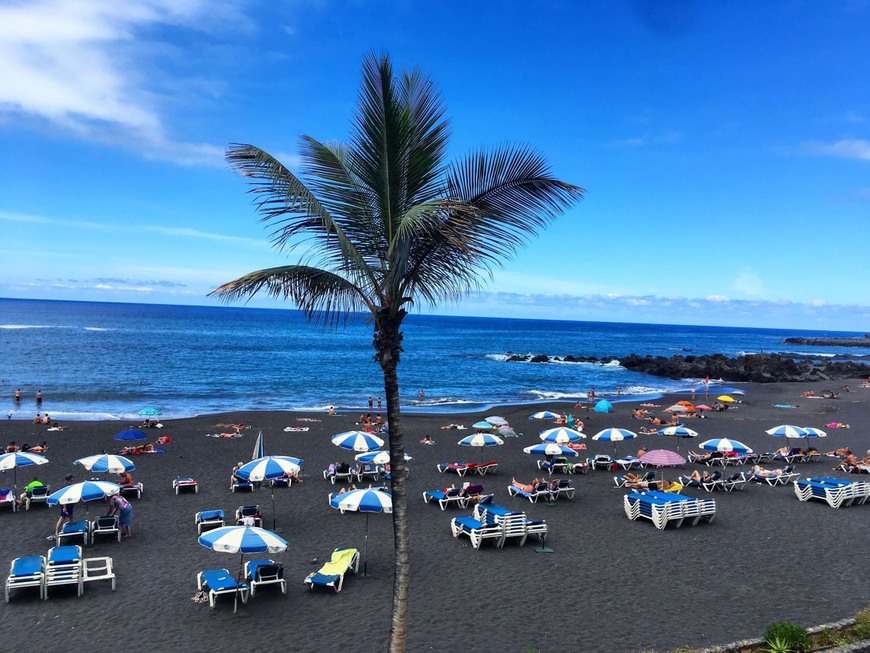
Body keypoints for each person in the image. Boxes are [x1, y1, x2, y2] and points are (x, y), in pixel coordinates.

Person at [52, 475, 75, 539]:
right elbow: (63, 498)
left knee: (70, 516)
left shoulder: (68, 485)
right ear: (69, 479)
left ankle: (71, 529)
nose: (72, 481)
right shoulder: (64, 486)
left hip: (70, 504)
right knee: (62, 518)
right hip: (66, 505)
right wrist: (64, 507)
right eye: (71, 479)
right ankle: (56, 532)